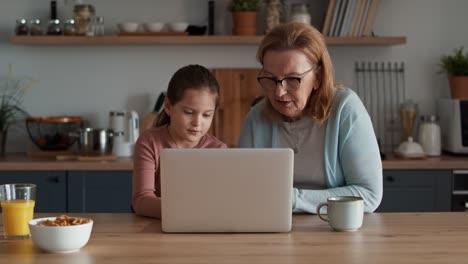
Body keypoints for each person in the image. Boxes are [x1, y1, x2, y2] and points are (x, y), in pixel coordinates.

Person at [238, 23, 382, 213]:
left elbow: (369, 194)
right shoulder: (256, 118)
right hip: (272, 230)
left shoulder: (345, 109)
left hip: (334, 232)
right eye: (270, 78)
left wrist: (293, 199)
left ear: (318, 77)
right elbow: (242, 191)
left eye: (292, 79)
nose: (279, 92)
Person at [132, 64, 227, 218]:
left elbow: (221, 201)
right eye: (189, 112)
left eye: (207, 115)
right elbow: (141, 200)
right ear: (168, 106)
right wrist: (187, 211)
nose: (197, 122)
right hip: (156, 230)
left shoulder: (218, 149)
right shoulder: (149, 142)